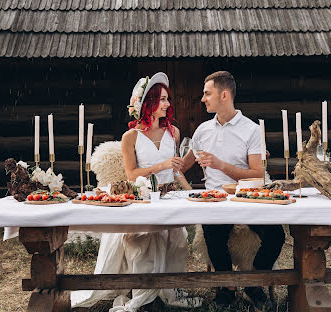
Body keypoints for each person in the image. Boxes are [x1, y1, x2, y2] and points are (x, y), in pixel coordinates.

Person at [71, 72, 200, 311]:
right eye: (162, 100)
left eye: (167, 99)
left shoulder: (174, 133)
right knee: (143, 238)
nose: (167, 104)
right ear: (148, 103)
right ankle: (144, 295)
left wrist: (193, 194)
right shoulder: (130, 137)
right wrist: (162, 165)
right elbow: (131, 175)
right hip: (143, 199)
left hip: (169, 197)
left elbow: (176, 172)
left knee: (178, 237)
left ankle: (167, 288)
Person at [183, 71, 285, 310]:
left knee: (276, 236)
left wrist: (220, 165)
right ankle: (228, 287)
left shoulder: (250, 130)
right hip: (215, 200)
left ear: (224, 95)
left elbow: (257, 173)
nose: (203, 99)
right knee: (212, 232)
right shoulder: (202, 130)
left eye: (207, 93)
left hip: (247, 198)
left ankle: (252, 283)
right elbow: (183, 165)